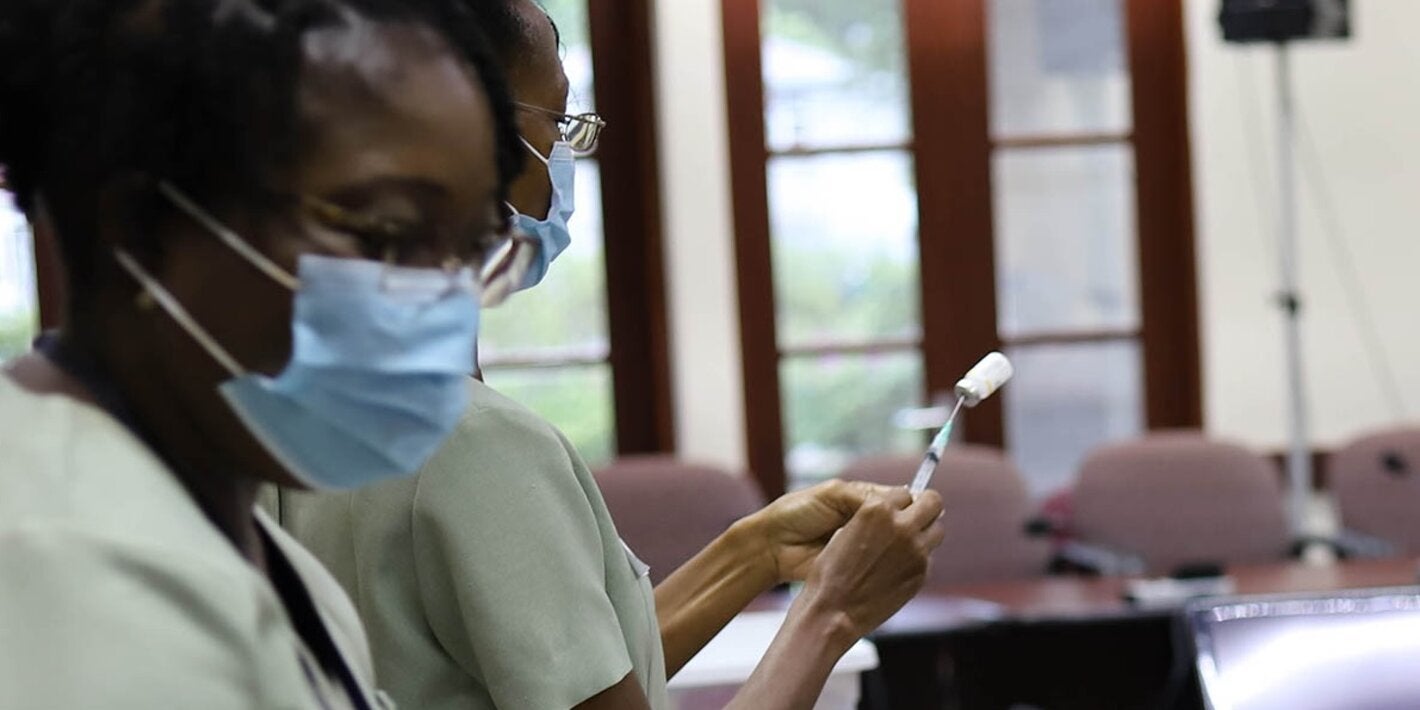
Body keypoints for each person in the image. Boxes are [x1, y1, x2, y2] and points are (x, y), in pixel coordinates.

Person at [277, 1, 949, 709]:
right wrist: (830, 615)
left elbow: (576, 675)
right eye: (556, 122)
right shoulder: (477, 447)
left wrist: (755, 552)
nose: (564, 160)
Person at [0, 0, 525, 706]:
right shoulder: (77, 574)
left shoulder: (254, 549)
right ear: (142, 228)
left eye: (469, 247)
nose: (441, 299)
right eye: (388, 232)